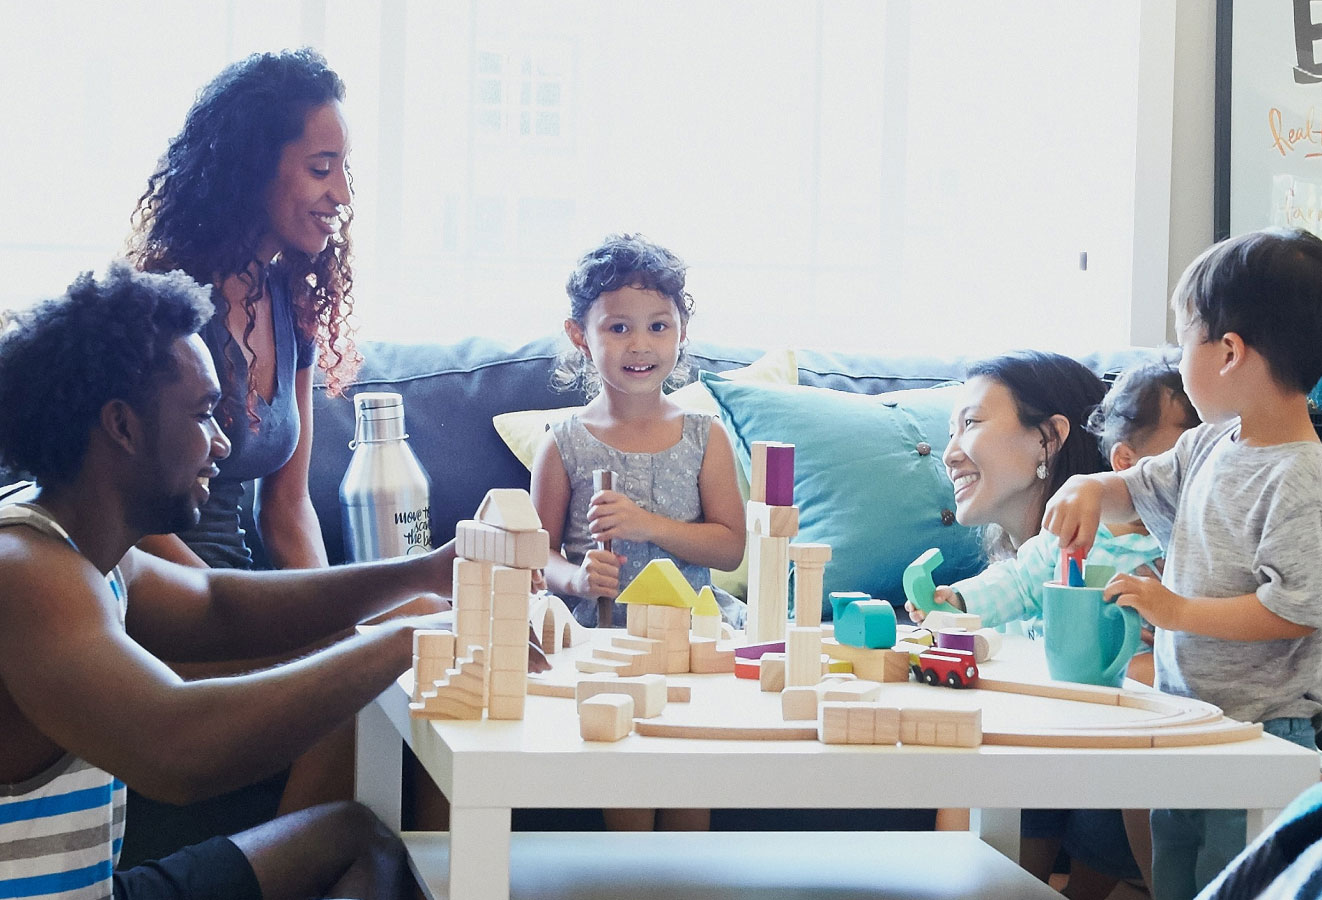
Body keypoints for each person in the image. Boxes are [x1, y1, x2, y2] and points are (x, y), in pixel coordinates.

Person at [0, 263, 453, 899]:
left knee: (355, 839)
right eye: (204, 414)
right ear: (122, 426)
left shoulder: (90, 553)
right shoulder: (25, 570)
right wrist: (410, 639)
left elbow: (220, 606)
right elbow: (175, 749)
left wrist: (427, 572)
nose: (222, 443)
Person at [123, 47, 360, 857]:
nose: (340, 194)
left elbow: (288, 514)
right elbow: (127, 515)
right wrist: (237, 619)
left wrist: (337, 611)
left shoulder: (291, 304)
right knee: (367, 689)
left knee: (399, 670)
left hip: (243, 597)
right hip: (164, 602)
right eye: (320, 167)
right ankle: (268, 868)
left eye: (343, 170)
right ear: (255, 165)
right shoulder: (162, 302)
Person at [1043, 227, 1322, 900]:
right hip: (1188, 716)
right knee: (1175, 877)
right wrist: (1087, 487)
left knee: (1238, 884)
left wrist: (1176, 612)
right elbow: (1131, 490)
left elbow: (1291, 612)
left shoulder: (1302, 475)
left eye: (1181, 340)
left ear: (1228, 352)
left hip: (1261, 733)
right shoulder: (1206, 446)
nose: (1176, 359)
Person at [905, 350, 1163, 898]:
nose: (948, 454)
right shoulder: (1014, 583)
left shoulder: (1164, 548)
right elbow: (1007, 591)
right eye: (949, 431)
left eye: (970, 423)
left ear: (1049, 437)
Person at [529, 233, 745, 831]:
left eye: (658, 326)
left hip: (690, 640)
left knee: (687, 780)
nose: (640, 344)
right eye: (618, 328)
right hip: (604, 644)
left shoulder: (706, 436)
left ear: (681, 333)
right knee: (623, 777)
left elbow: (729, 546)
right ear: (580, 335)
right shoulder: (564, 440)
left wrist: (649, 525)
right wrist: (575, 575)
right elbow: (533, 555)